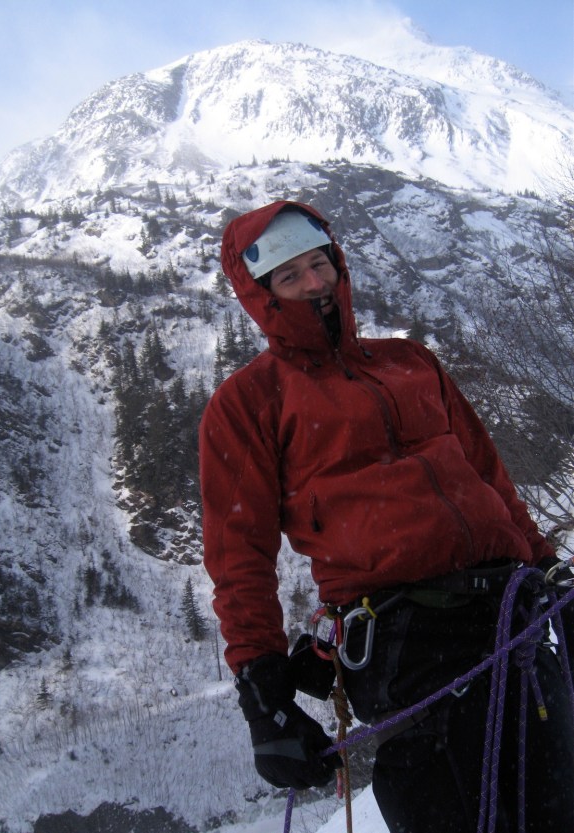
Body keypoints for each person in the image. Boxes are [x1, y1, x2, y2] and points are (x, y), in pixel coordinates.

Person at [199, 200, 574, 831]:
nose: (314, 283)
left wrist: (547, 566)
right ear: (261, 295)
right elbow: (239, 555)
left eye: (320, 264)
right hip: (406, 639)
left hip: (509, 611)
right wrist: (261, 690)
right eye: (289, 275)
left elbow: (487, 476)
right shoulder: (249, 402)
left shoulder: (411, 362)